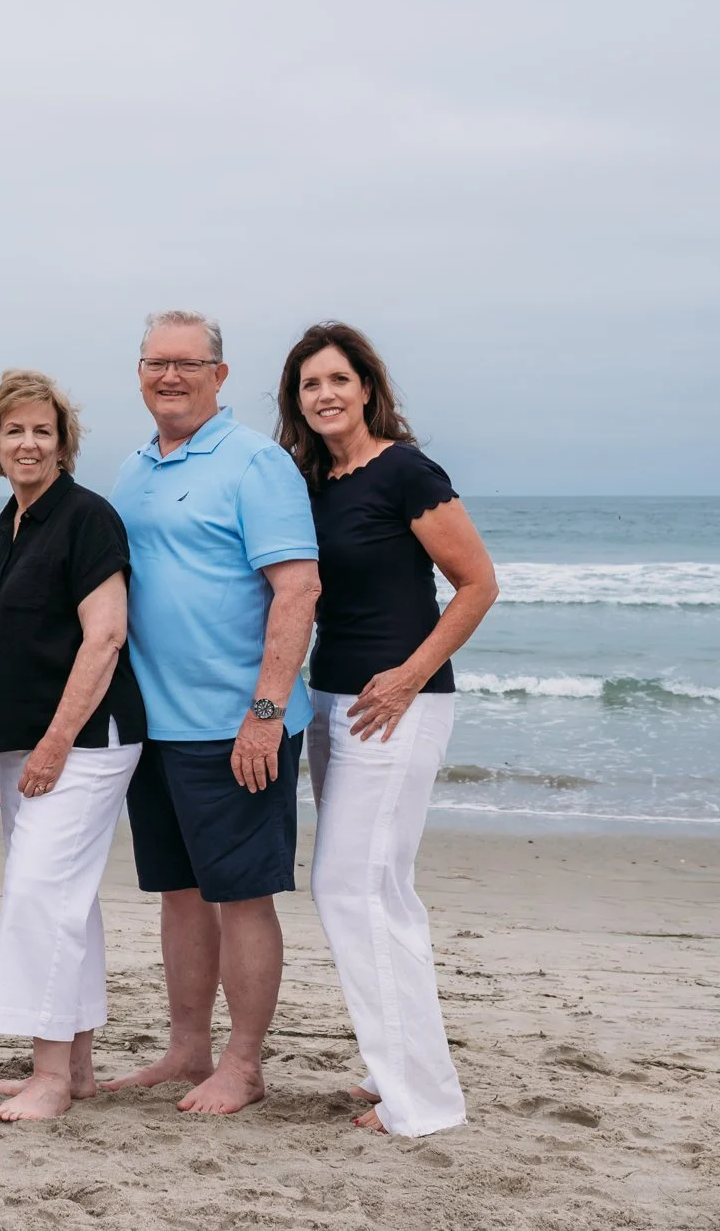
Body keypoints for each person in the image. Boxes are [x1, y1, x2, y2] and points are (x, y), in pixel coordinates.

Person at [275, 321, 497, 1136]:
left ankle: (423, 1102)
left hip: (400, 705)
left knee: (352, 886)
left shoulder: (406, 469)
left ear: (367, 386)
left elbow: (477, 584)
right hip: (336, 703)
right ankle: (397, 1069)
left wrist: (408, 676)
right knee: (380, 891)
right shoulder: (313, 482)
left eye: (338, 378)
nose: (325, 394)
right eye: (309, 384)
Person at [101, 310, 320, 1116]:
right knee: (181, 894)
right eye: (156, 361)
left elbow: (298, 588)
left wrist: (264, 712)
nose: (170, 376)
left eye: (188, 363)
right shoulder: (129, 470)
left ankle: (244, 1061)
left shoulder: (257, 463)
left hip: (236, 727)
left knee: (240, 896)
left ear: (219, 375)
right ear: (139, 372)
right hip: (153, 726)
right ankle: (188, 1047)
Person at [0, 370, 147, 1123]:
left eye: (43, 430)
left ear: (64, 443)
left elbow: (105, 635)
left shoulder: (86, 518)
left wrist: (52, 743)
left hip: (86, 741)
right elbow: (8, 644)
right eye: (15, 430)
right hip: (25, 745)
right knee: (65, 901)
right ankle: (75, 1066)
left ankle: (46, 1074)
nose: (29, 442)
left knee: (41, 895)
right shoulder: (10, 523)